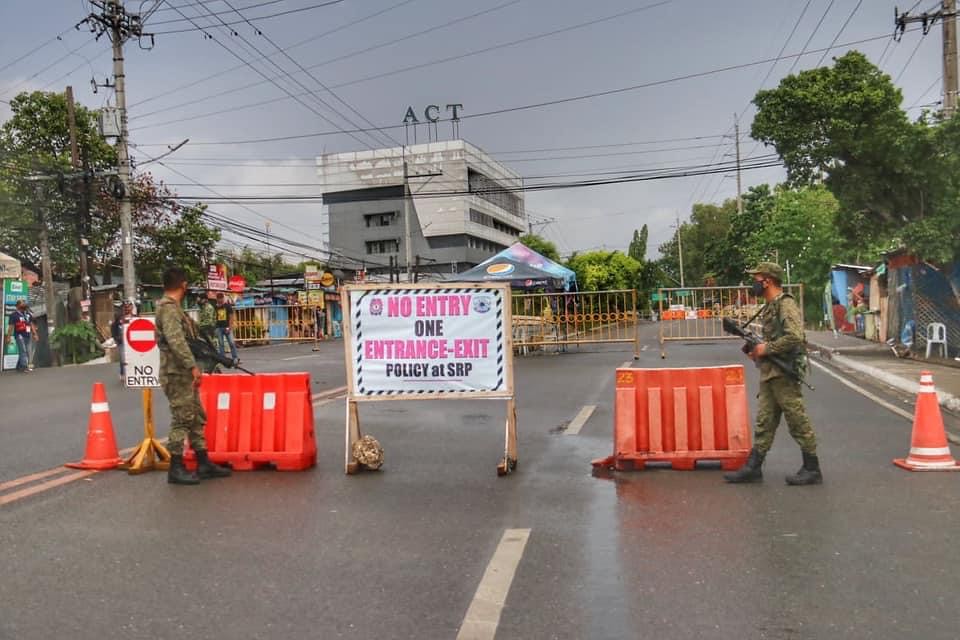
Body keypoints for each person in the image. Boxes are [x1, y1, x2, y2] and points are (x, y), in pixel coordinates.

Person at [724, 262, 822, 486]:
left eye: (756, 279)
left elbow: (795, 336)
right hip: (771, 372)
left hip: (784, 372)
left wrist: (766, 349)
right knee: (765, 421)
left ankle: (812, 467)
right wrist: (757, 351)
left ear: (767, 281)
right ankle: (753, 467)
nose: (753, 283)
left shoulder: (785, 304)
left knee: (797, 419)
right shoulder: (769, 305)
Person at [155, 267, 232, 485]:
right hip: (176, 372)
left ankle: (203, 461)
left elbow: (192, 337)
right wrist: (192, 366)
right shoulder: (168, 309)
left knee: (196, 417)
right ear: (183, 285)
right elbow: (176, 340)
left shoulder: (176, 309)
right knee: (182, 418)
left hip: (183, 373)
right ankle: (176, 467)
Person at [4, 300, 38, 373]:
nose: (24, 304)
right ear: (18, 306)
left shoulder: (28, 314)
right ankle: (25, 367)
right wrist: (8, 337)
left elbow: (31, 324)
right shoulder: (14, 315)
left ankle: (19, 367)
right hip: (19, 335)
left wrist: (35, 334)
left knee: (26, 351)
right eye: (23, 303)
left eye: (25, 303)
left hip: (28, 335)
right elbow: (11, 327)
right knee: (23, 351)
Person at [111, 299, 136, 380]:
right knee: (123, 358)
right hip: (122, 341)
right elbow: (113, 327)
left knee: (133, 357)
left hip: (132, 341)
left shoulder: (135, 317)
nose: (127, 308)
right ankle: (123, 373)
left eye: (129, 306)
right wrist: (116, 338)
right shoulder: (119, 318)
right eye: (126, 307)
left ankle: (134, 372)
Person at [215, 292, 239, 365]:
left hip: (227, 327)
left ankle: (235, 358)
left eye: (221, 299)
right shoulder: (215, 307)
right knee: (221, 344)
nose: (220, 300)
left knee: (231, 343)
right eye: (219, 299)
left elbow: (231, 317)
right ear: (217, 299)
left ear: (223, 298)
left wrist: (230, 326)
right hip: (219, 327)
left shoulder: (227, 306)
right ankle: (223, 359)